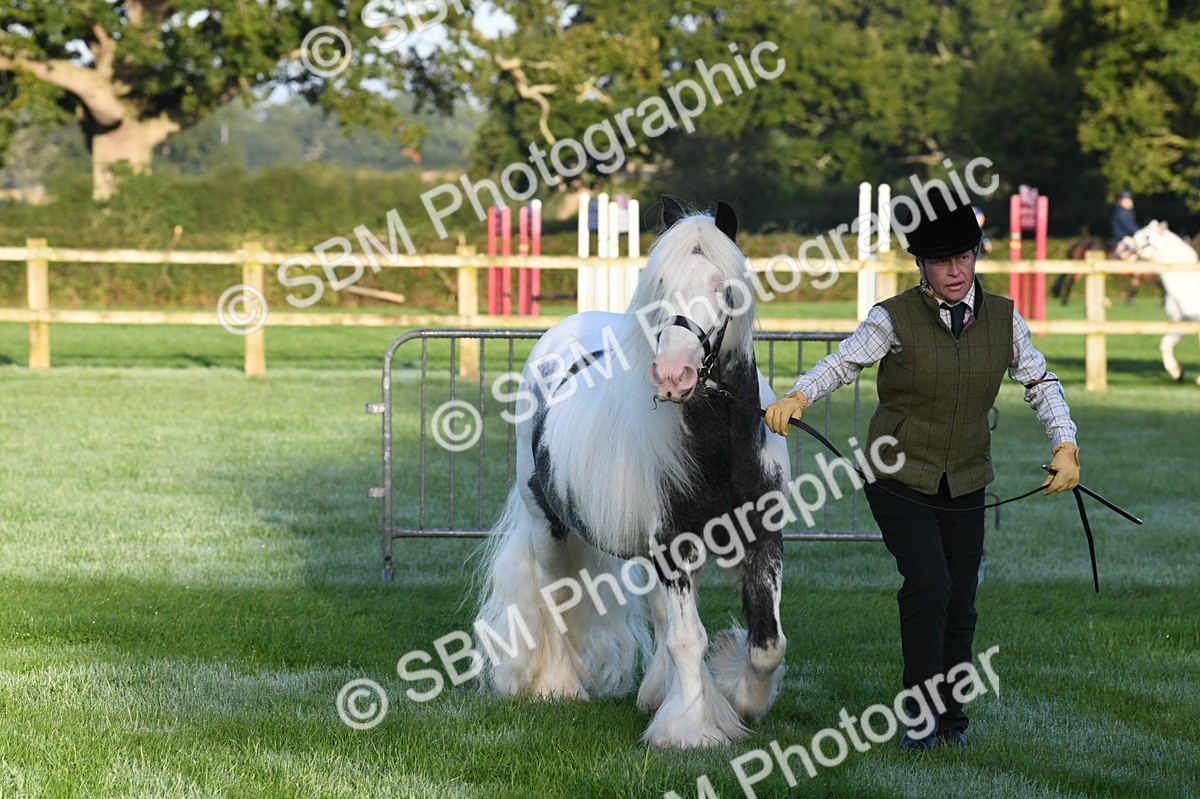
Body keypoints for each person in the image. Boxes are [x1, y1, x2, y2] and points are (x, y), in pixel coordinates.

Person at [764, 191, 1080, 751]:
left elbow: (1039, 381)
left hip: (967, 478)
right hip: (897, 478)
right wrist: (798, 395)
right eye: (941, 261)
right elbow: (844, 361)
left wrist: (1065, 444)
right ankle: (918, 713)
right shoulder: (892, 317)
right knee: (929, 583)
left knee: (961, 596)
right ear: (921, 265)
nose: (955, 271)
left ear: (976, 256)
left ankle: (951, 717)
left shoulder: (1006, 319)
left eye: (963, 257)